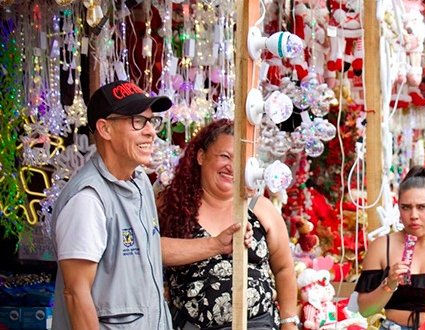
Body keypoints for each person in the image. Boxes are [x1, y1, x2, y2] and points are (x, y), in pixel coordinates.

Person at [51, 81, 175, 329]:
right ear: (105, 129)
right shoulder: (88, 199)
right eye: (138, 121)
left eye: (152, 121)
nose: (151, 131)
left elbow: (150, 247)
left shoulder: (139, 183)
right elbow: (76, 295)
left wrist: (217, 244)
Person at [157, 119, 299, 330]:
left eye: (240, 159)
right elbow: (150, 251)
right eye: (224, 156)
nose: (232, 167)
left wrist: (289, 323)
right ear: (201, 156)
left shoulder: (261, 208)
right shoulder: (170, 207)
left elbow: (284, 268)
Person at [355, 166, 425, 329]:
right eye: (406, 207)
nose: (414, 215)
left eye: (422, 207)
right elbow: (365, 310)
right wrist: (389, 284)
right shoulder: (382, 246)